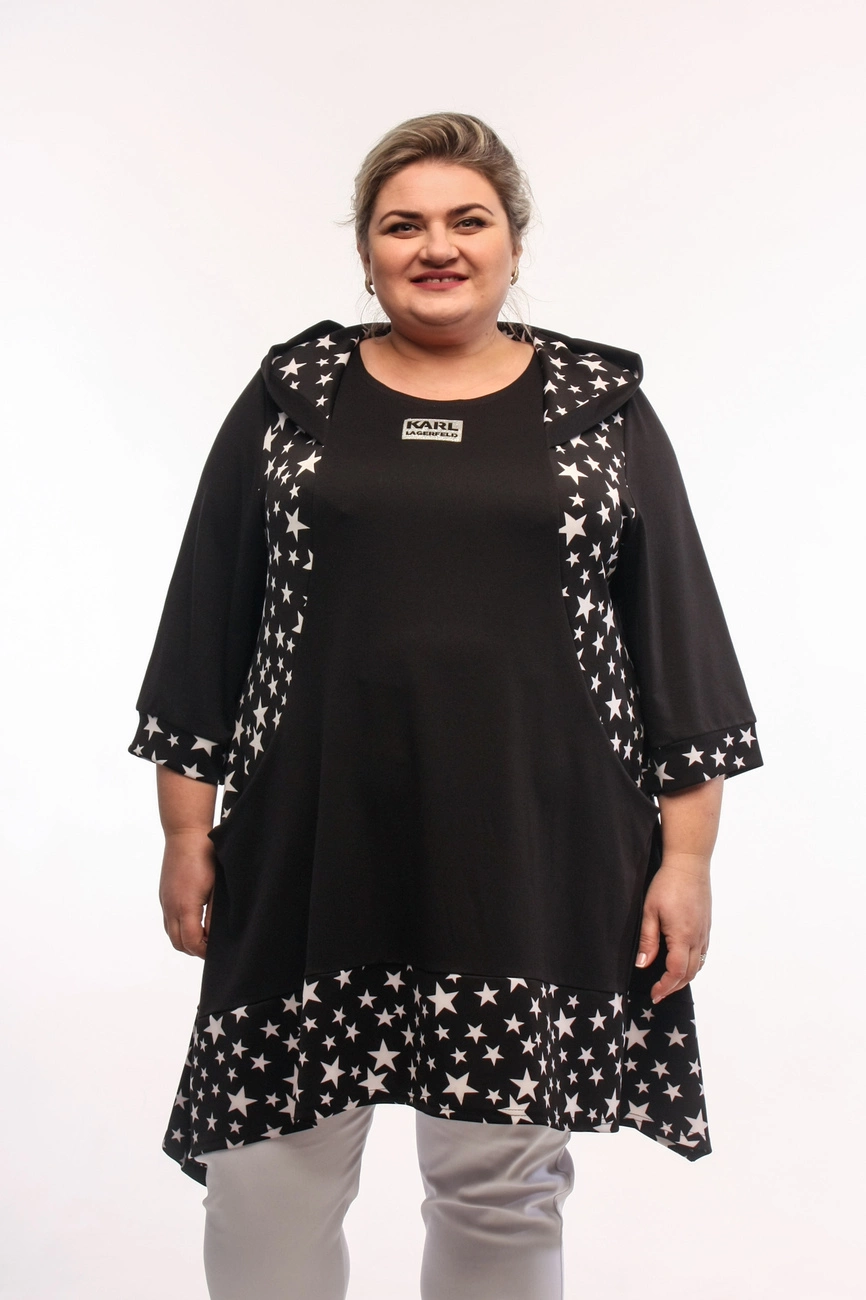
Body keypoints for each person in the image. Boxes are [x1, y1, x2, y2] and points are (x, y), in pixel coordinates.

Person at [129, 112, 762, 1300]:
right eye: (401, 224)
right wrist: (183, 828)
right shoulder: (294, 398)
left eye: (466, 221)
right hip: (310, 845)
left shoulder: (596, 407)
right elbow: (207, 618)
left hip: (530, 848)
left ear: (512, 242)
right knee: (267, 1167)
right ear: (364, 251)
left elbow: (673, 642)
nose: (435, 247)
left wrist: (685, 859)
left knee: (498, 1182)